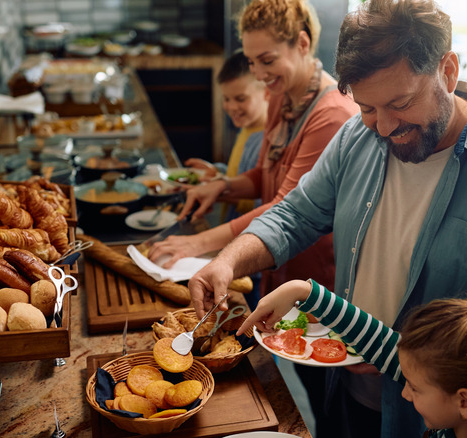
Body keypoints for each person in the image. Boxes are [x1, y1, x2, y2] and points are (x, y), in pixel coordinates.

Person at [186, 0, 467, 436]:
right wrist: (228, 261)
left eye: (400, 103)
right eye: (367, 108)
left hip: (435, 421)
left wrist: (389, 351)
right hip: (344, 386)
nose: (383, 128)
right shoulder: (356, 137)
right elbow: (295, 214)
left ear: (447, 70)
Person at [148, 0, 359, 304]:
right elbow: (265, 174)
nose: (259, 74)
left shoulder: (332, 115)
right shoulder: (280, 95)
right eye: (251, 62)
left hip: (312, 282)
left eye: (267, 60)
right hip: (272, 267)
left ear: (302, 43)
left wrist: (197, 243)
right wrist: (223, 187)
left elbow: (287, 206)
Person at [236, 279, 467, 438]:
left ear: (465, 401)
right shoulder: (456, 394)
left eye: (414, 388)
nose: (404, 392)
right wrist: (301, 292)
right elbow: (384, 344)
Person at [182, 49, 268, 225]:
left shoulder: (267, 139)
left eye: (241, 99)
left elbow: (263, 202)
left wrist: (218, 191)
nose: (232, 107)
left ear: (267, 91)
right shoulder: (246, 127)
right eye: (226, 99)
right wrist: (217, 172)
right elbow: (239, 171)